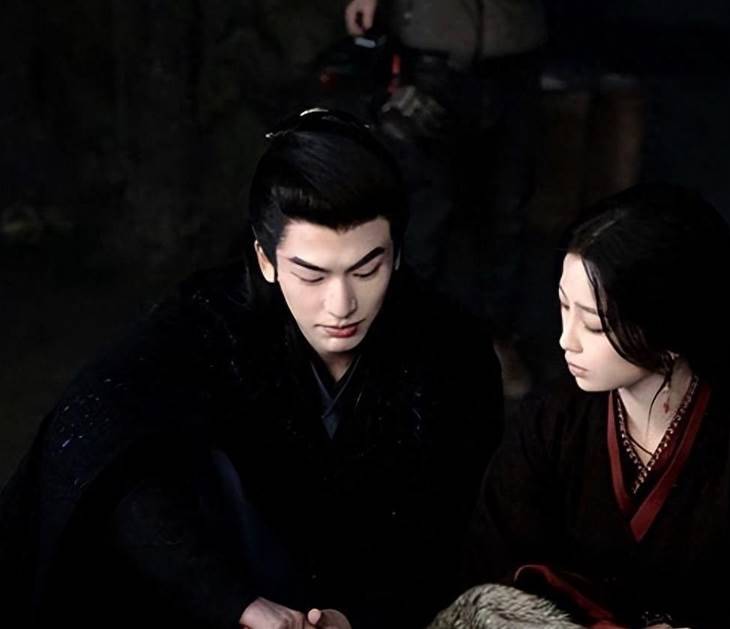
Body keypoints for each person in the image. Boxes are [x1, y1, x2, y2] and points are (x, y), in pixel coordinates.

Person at [0, 109, 503, 628]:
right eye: (311, 275)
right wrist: (235, 602)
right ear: (265, 260)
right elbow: (96, 448)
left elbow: (457, 525)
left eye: (366, 269)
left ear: (396, 255)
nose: (341, 305)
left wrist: (359, 617)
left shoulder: (451, 349)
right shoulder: (208, 320)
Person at [462, 183, 730, 628]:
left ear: (671, 327)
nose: (566, 340)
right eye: (564, 307)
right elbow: (493, 574)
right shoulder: (550, 422)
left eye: (594, 325)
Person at [344, 0, 546, 398]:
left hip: (514, 55)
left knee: (506, 212)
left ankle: (497, 340)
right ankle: (405, 345)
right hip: (428, 54)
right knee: (422, 215)